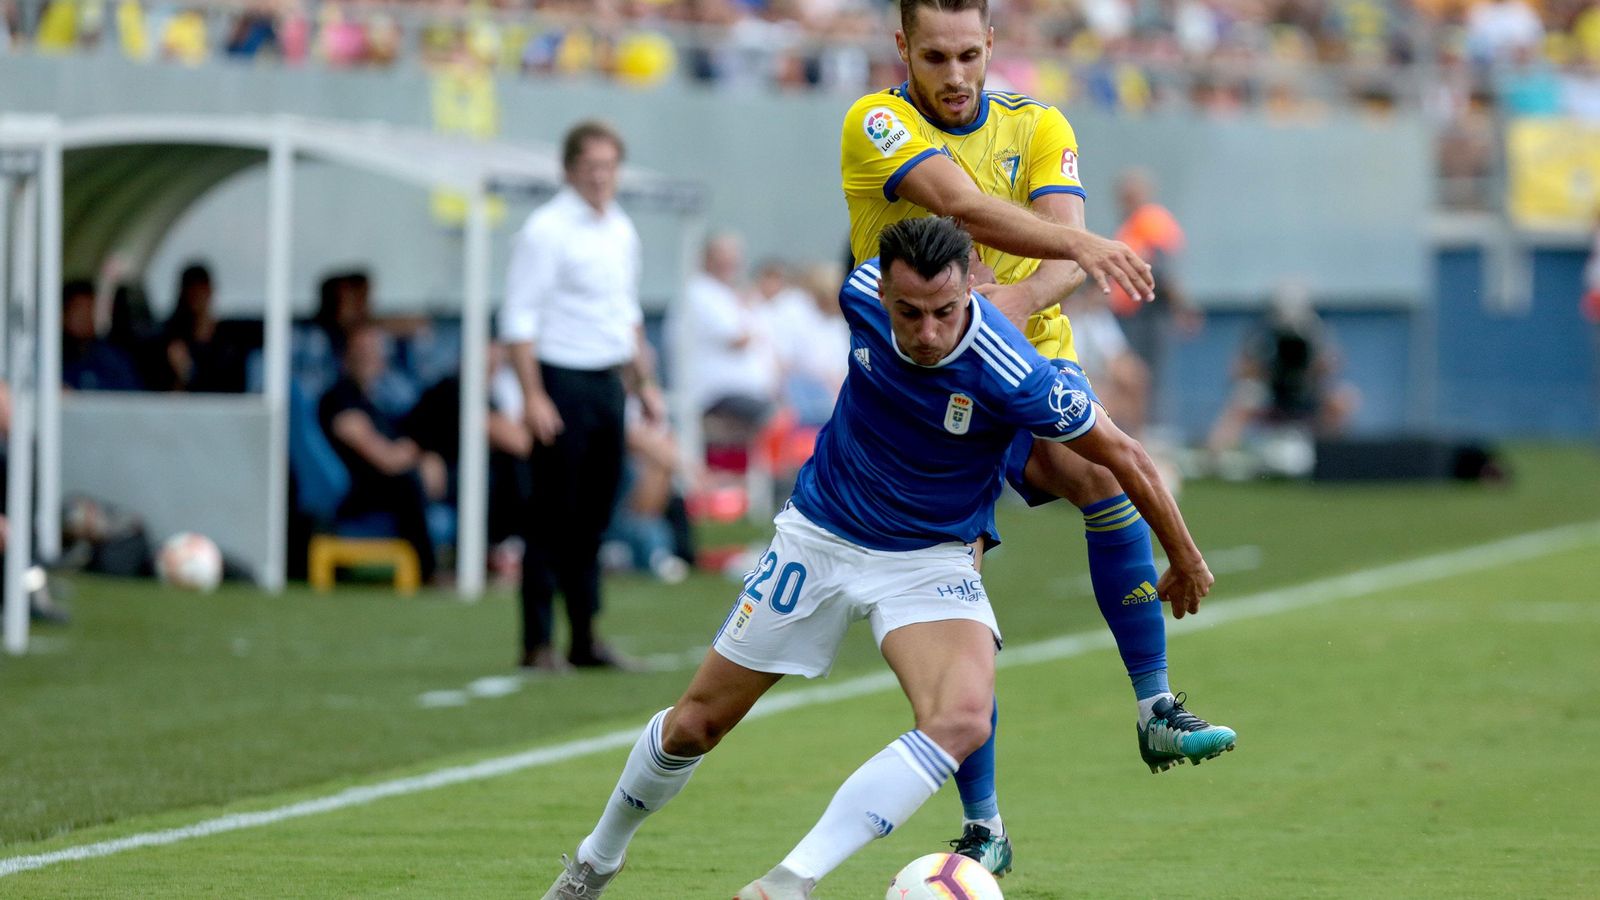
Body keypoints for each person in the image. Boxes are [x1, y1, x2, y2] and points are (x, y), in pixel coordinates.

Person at [539, 218, 1221, 900]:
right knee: (697, 723)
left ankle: (787, 883)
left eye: (945, 314)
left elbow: (1127, 457)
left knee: (960, 718)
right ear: (883, 295)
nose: (927, 333)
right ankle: (596, 861)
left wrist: (1185, 558)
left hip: (929, 561)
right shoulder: (858, 292)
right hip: (819, 536)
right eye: (910, 313)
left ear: (974, 290)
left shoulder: (1016, 374)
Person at [836, 0, 1226, 874]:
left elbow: (1057, 260)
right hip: (923, 381)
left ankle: (1156, 707)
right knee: (953, 589)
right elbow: (967, 209)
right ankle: (984, 824)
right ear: (903, 48)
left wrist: (1003, 310)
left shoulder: (1040, 124)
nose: (953, 74)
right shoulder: (878, 121)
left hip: (1022, 360)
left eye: (968, 54)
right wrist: (1068, 257)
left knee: (1106, 479)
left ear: (991, 45)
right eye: (933, 55)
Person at [498, 119, 665, 672]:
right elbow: (519, 318)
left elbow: (626, 316)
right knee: (551, 514)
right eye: (590, 167)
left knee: (594, 515)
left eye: (608, 167)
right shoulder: (546, 229)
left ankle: (585, 636)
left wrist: (645, 386)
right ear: (570, 170)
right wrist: (533, 395)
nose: (600, 178)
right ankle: (537, 641)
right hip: (561, 377)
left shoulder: (620, 228)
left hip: (605, 382)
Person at [318, 323, 446, 583]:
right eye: (362, 351)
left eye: (374, 352)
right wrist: (414, 459)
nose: (370, 358)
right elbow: (383, 458)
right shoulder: (338, 398)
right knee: (408, 482)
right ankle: (428, 573)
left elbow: (399, 447)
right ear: (347, 357)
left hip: (385, 483)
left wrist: (426, 458)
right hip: (354, 493)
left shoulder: (377, 404)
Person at [1205, 282, 1359, 459]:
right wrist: (1266, 369)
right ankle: (1215, 457)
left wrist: (1312, 369)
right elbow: (1237, 369)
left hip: (1306, 394)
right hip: (1271, 396)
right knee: (1242, 398)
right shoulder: (1263, 333)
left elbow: (1334, 363)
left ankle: (1332, 457)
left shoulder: (1315, 332)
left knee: (1344, 399)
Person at [1107, 167, 1200, 418]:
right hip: (1130, 313)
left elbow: (1162, 269)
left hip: (1149, 311)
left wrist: (1182, 307)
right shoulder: (1131, 223)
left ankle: (1152, 430)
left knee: (1148, 376)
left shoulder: (1151, 220)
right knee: (1130, 375)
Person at [678, 233, 782, 446]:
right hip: (716, 392)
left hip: (743, 390)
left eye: (733, 258)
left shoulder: (726, 293)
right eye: (723, 258)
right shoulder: (700, 292)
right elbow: (739, 338)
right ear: (708, 259)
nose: (730, 264)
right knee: (779, 419)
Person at [61, 280, 142, 391]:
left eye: (90, 310)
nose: (86, 317)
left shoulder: (112, 360)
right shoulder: (46, 357)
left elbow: (131, 399)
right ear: (63, 314)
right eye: (80, 311)